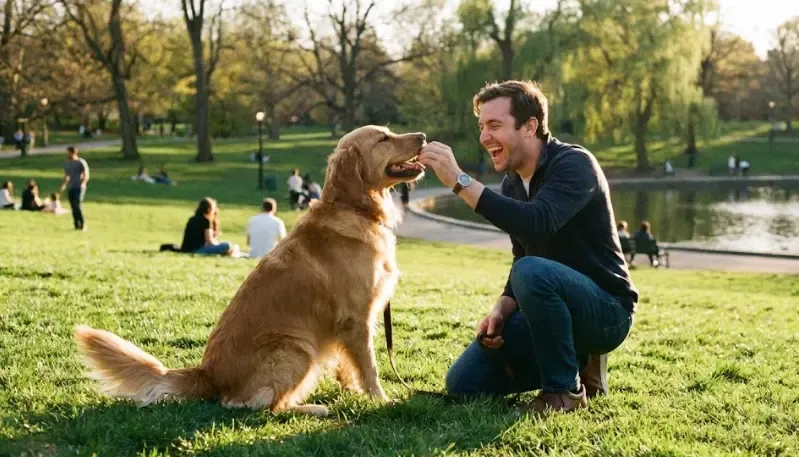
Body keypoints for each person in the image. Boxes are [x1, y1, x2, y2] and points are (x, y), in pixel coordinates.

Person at [418, 80, 638, 415]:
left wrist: (460, 181)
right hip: (551, 311)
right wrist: (501, 309)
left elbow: (537, 222)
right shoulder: (512, 183)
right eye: (481, 127)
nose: (484, 137)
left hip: (607, 313)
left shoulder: (575, 164)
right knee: (464, 383)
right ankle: (576, 362)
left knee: (532, 271)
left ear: (530, 127)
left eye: (495, 126)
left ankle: (564, 392)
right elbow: (523, 252)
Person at [60, 146, 90, 230]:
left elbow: (86, 174)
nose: (67, 154)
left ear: (73, 152)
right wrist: (64, 185)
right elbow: (67, 175)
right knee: (73, 206)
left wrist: (83, 183)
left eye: (68, 152)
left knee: (77, 205)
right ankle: (76, 225)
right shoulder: (67, 163)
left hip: (79, 187)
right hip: (71, 187)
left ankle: (83, 224)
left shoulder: (81, 162)